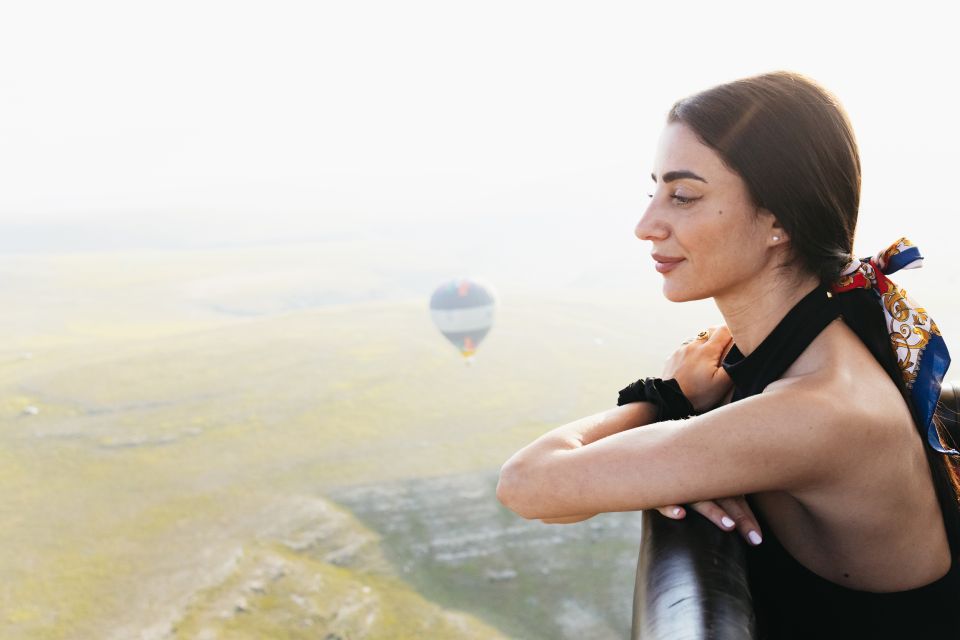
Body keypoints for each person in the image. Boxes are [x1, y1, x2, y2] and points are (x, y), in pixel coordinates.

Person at [496, 71, 960, 638]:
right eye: (654, 191)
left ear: (779, 220)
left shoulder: (818, 405)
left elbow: (528, 484)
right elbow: (560, 501)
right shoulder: (803, 349)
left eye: (683, 196)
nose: (646, 226)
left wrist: (671, 401)